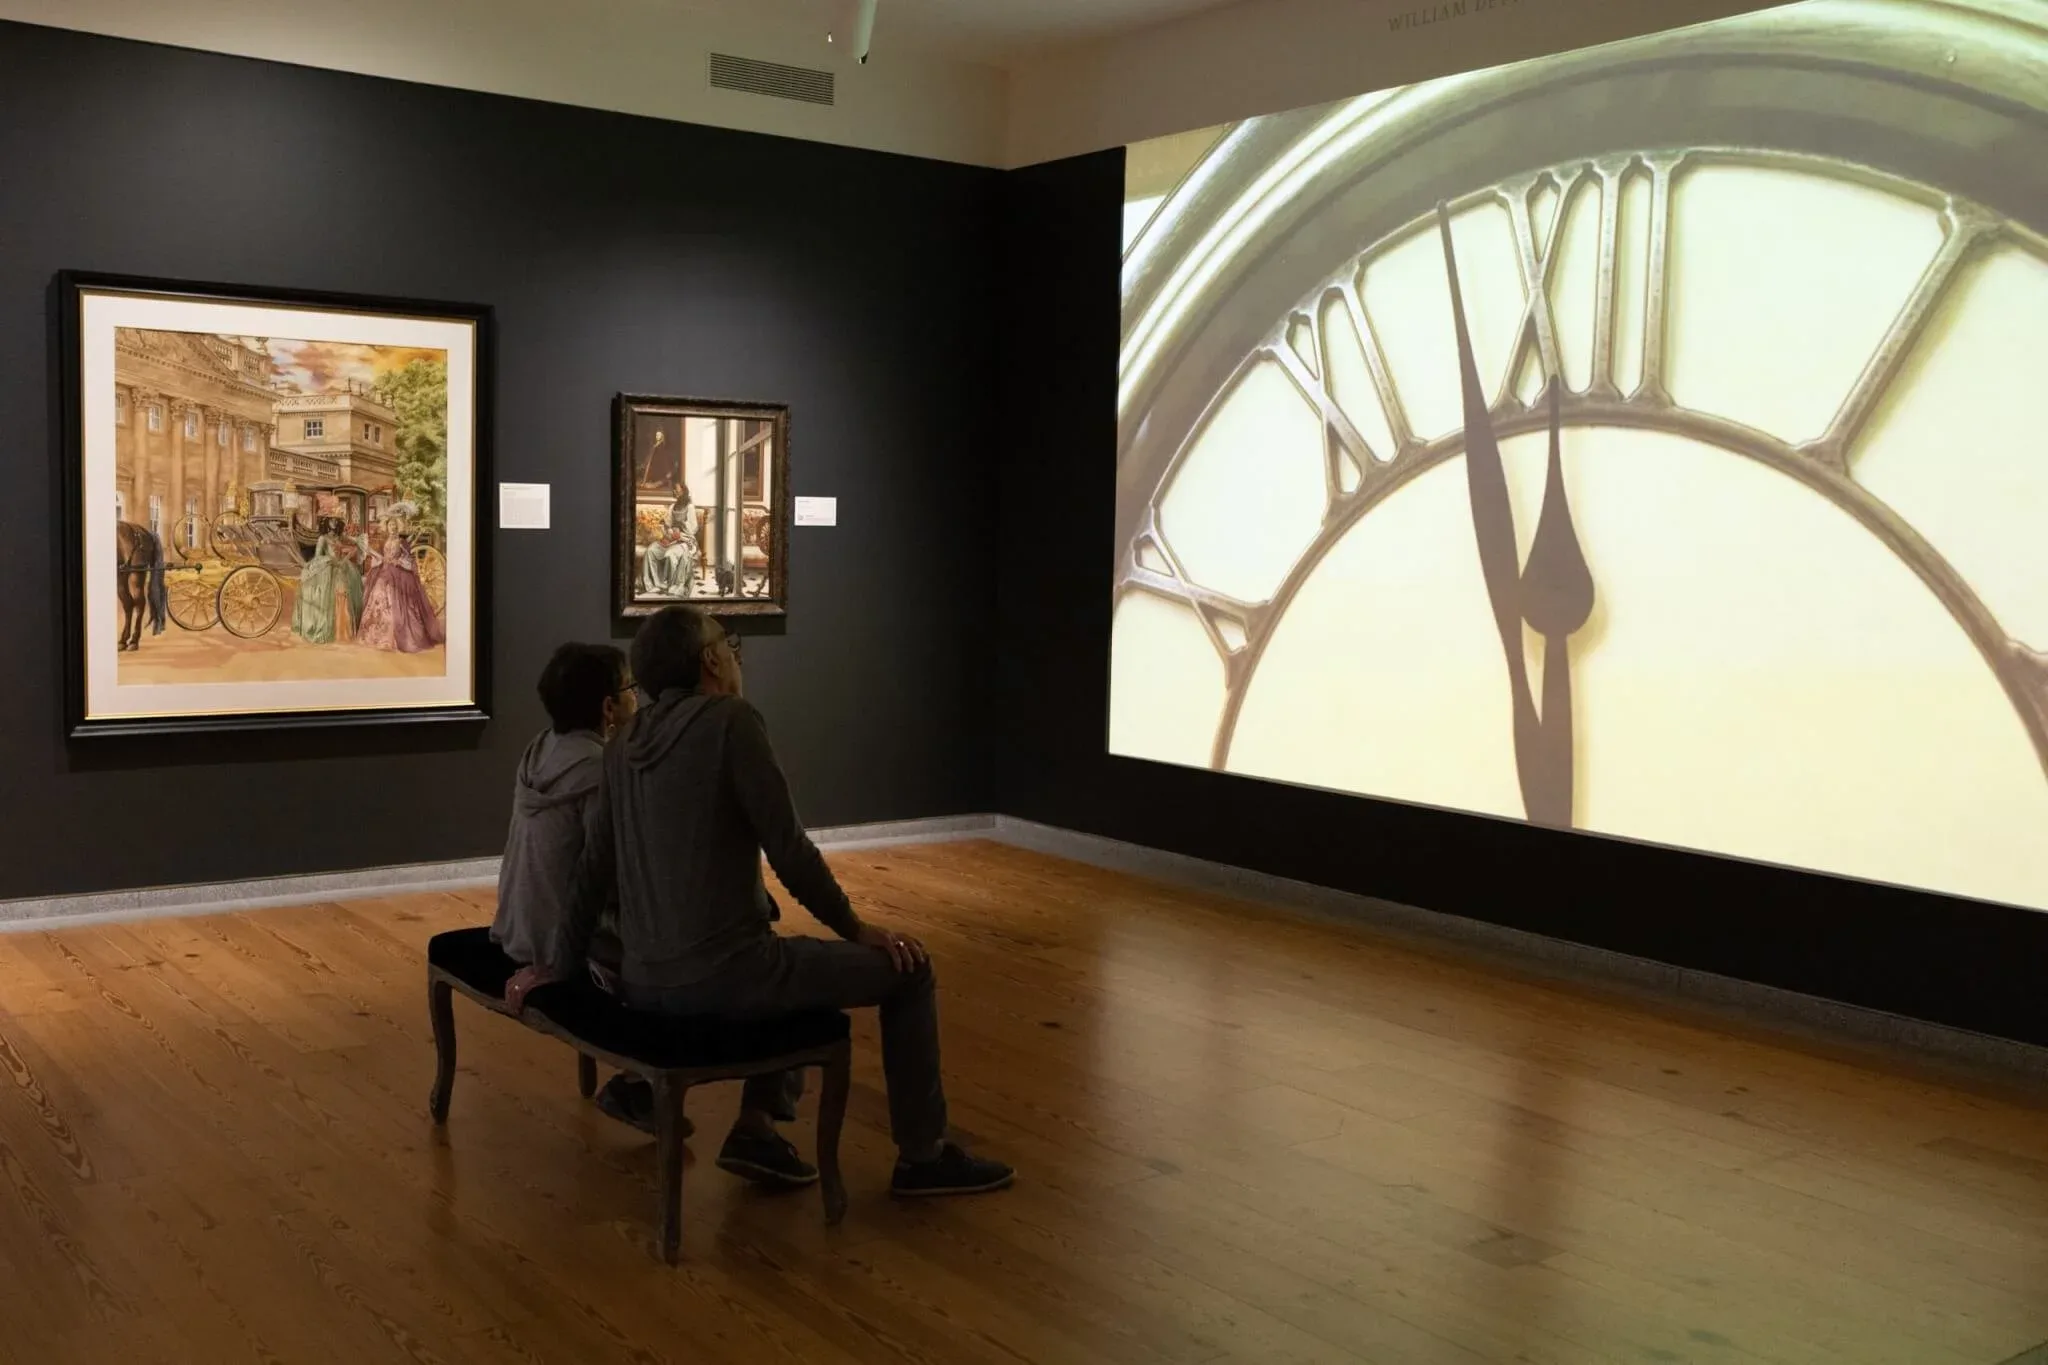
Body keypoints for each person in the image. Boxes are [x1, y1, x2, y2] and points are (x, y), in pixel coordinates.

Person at [566, 605, 1013, 1197]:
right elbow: (790, 850)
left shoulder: (622, 745)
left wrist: (556, 965)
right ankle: (923, 1156)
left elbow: (592, 871)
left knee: (793, 965)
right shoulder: (731, 721)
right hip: (727, 976)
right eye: (729, 645)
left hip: (645, 981)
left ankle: (756, 1129)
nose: (735, 656)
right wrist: (856, 928)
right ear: (710, 660)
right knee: (909, 970)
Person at [491, 644, 674, 1131]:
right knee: (676, 951)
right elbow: (608, 874)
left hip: (517, 923)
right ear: (609, 707)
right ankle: (638, 1081)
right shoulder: (600, 768)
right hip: (563, 941)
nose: (638, 698)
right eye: (631, 689)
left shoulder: (539, 749)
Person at [359, 519, 445, 653]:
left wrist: (399, 561)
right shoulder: (385, 541)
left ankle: (394, 637)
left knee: (397, 602)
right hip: (385, 571)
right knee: (377, 595)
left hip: (398, 573)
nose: (392, 527)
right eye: (390, 525)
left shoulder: (402, 542)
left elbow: (409, 558)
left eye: (394, 525)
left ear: (397, 527)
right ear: (387, 527)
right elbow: (381, 557)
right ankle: (378, 635)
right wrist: (373, 554)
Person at [641, 491, 697, 599]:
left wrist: (681, 528)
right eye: (674, 490)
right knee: (651, 550)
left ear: (684, 491)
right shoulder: (672, 507)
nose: (675, 492)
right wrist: (669, 532)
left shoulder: (690, 507)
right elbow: (668, 525)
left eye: (678, 490)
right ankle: (655, 584)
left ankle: (671, 585)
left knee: (670, 554)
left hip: (685, 540)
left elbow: (693, 529)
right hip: (672, 538)